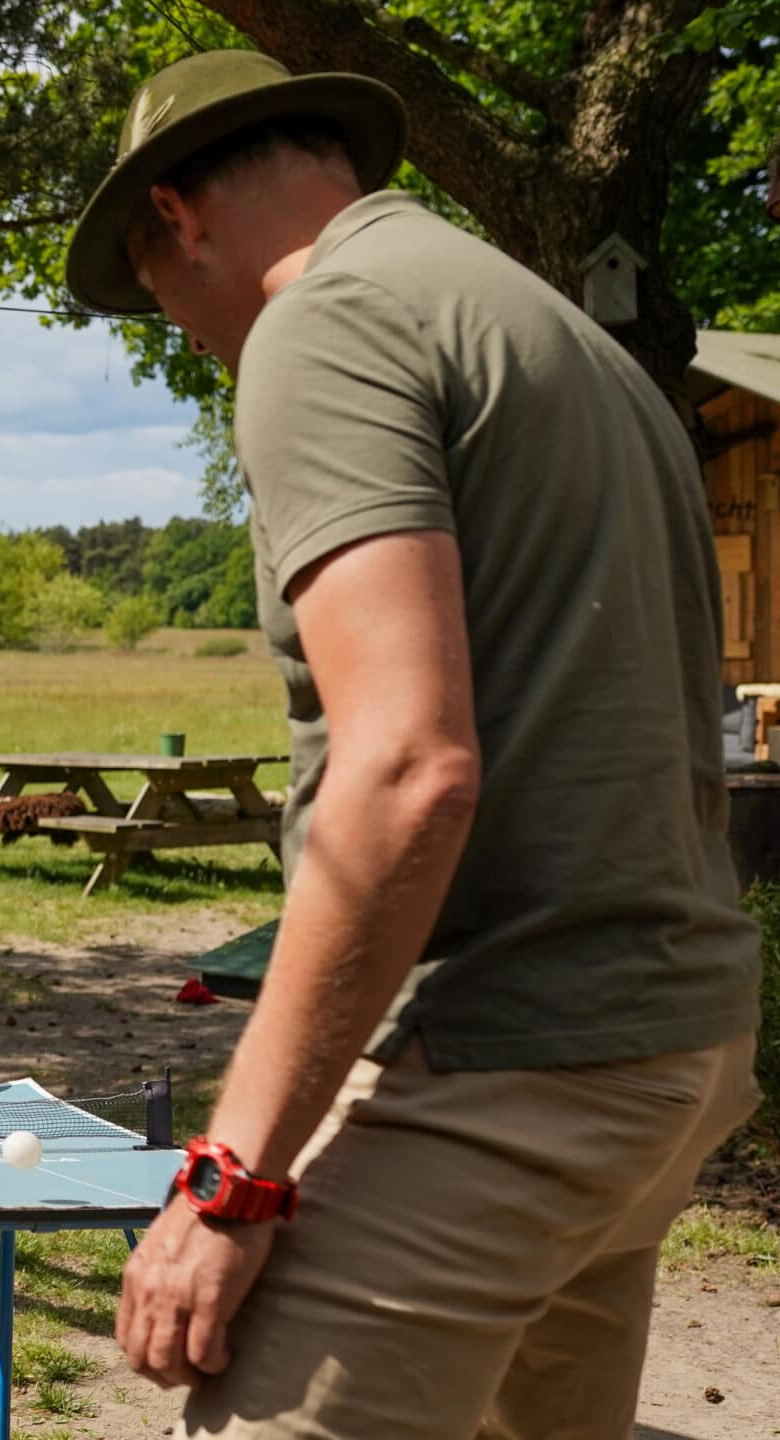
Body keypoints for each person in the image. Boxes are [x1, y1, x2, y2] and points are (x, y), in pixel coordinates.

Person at [63, 50, 762, 1438]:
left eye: (154, 292)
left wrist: (230, 1177)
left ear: (177, 217)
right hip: (672, 1048)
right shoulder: (567, 343)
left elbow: (406, 769)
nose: (186, 335)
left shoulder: (322, 322)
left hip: (507, 1058)